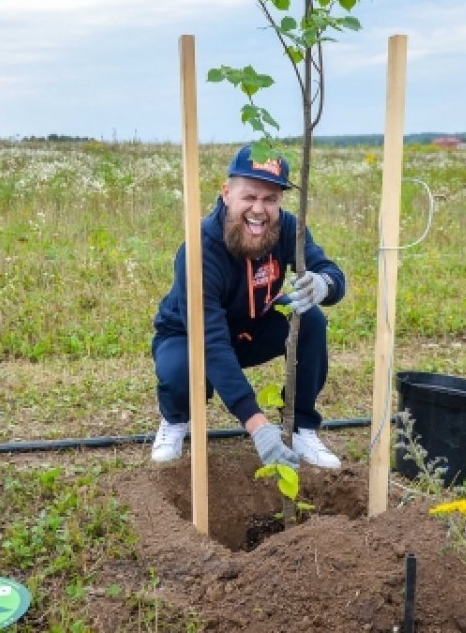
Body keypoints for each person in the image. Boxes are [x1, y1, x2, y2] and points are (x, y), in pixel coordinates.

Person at [149, 145, 348, 469]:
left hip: (253, 327)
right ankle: (175, 419)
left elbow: (331, 271)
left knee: (309, 318)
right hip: (190, 336)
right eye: (250, 197)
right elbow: (210, 342)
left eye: (270, 199)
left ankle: (301, 426)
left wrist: (326, 284)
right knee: (179, 371)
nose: (259, 210)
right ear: (227, 194)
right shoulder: (200, 250)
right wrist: (256, 425)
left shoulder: (286, 229)